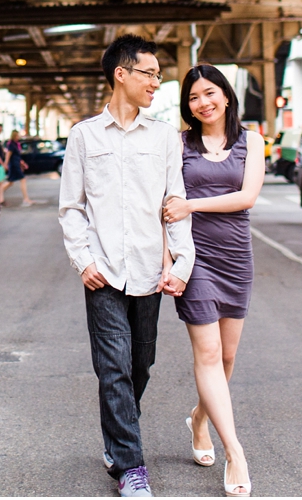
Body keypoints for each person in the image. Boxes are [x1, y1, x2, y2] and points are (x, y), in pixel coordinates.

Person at [58, 34, 195, 498]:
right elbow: (71, 207)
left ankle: (118, 441)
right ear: (122, 73)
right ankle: (130, 467)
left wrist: (181, 263)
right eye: (149, 73)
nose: (157, 82)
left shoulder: (163, 137)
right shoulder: (83, 136)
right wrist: (83, 260)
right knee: (113, 366)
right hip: (104, 272)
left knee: (141, 364)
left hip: (147, 272)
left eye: (159, 75)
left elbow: (173, 202)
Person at [161, 64, 262, 497]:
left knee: (227, 359)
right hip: (195, 258)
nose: (202, 103)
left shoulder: (251, 141)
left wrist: (193, 204)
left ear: (225, 94)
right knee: (208, 353)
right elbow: (164, 207)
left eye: (209, 93)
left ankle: (199, 418)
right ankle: (234, 452)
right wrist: (170, 264)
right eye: (193, 98)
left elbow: (247, 197)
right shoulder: (177, 144)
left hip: (236, 256)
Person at [5, 129, 34, 206]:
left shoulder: (16, 144)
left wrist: (22, 163)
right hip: (14, 165)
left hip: (16, 164)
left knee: (10, 182)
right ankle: (26, 198)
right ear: (14, 136)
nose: (19, 137)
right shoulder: (11, 144)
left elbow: (17, 156)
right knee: (22, 180)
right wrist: (5, 164)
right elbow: (8, 155)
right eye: (17, 135)